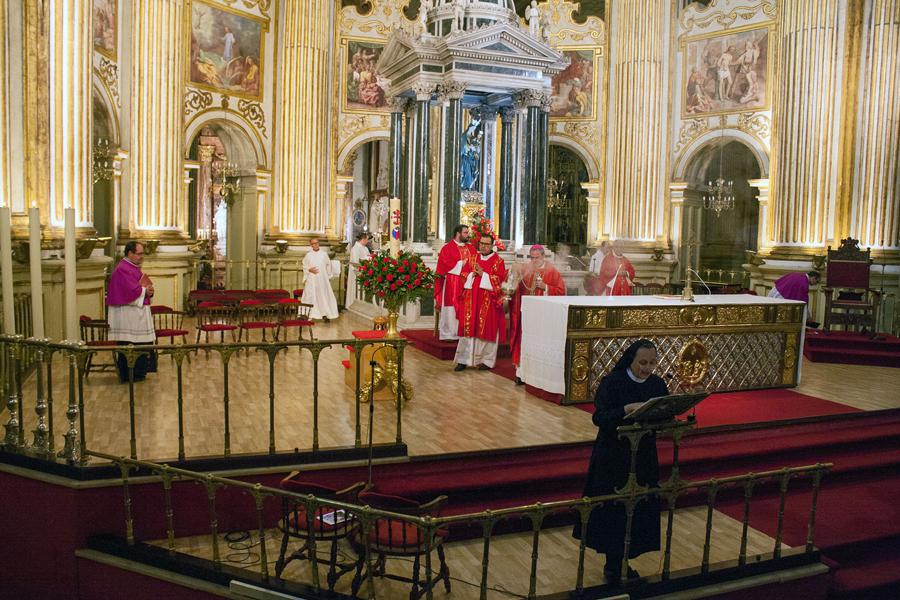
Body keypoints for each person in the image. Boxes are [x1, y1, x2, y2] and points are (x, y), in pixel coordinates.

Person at [573, 339, 668, 584]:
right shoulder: (613, 382)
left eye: (651, 363)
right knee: (614, 510)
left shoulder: (657, 384)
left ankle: (627, 558)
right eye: (642, 363)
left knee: (638, 508)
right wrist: (626, 409)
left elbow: (665, 413)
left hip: (644, 456)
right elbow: (600, 418)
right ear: (630, 360)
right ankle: (613, 564)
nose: (647, 368)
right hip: (613, 457)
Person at [509, 245, 566, 385]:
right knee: (524, 341)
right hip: (527, 314)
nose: (534, 261)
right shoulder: (526, 268)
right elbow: (514, 280)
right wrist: (514, 271)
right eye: (532, 258)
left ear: (543, 257)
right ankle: (520, 374)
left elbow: (561, 291)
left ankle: (536, 375)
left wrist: (545, 287)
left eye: (537, 258)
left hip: (543, 316)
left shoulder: (552, 271)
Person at [106, 241, 157, 383]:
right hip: (128, 316)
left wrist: (149, 291)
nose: (142, 257)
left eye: (142, 254)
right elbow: (130, 291)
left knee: (140, 345)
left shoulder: (133, 267)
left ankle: (139, 373)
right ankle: (129, 374)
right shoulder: (123, 269)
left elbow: (140, 287)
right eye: (139, 254)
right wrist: (145, 290)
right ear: (130, 253)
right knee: (130, 345)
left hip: (135, 315)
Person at [453, 236, 507, 371]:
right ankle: (463, 360)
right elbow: (463, 275)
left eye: (487, 244)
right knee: (468, 328)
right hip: (471, 299)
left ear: (492, 245)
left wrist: (484, 274)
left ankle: (485, 361)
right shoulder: (472, 258)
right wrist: (471, 274)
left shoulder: (498, 261)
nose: (483, 246)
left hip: (488, 301)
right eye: (482, 243)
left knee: (486, 330)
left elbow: (500, 281)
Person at [434, 224, 474, 340]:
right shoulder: (447, 248)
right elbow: (445, 265)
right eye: (465, 233)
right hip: (453, 283)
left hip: (468, 283)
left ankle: (465, 332)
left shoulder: (471, 248)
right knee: (451, 307)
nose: (468, 235)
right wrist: (461, 263)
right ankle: (450, 333)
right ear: (458, 233)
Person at [301, 238, 339, 321]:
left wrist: (328, 276)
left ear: (319, 244)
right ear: (311, 245)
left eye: (317, 243)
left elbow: (329, 265)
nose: (315, 245)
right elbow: (304, 265)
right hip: (311, 278)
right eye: (313, 243)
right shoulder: (308, 255)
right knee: (310, 295)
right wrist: (309, 270)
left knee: (323, 295)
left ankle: (324, 314)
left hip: (322, 279)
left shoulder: (324, 254)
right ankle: (307, 313)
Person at [345, 232, 371, 308]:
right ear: (363, 239)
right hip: (356, 272)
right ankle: (352, 303)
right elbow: (355, 262)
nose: (367, 241)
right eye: (367, 239)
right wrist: (365, 261)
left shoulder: (365, 248)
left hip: (364, 271)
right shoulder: (355, 249)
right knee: (355, 289)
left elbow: (369, 257)